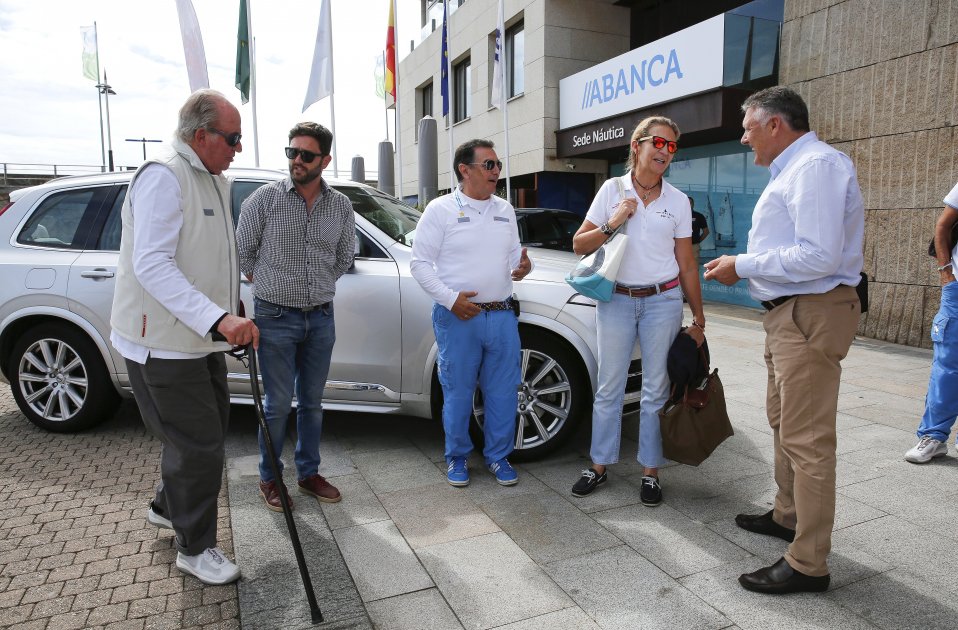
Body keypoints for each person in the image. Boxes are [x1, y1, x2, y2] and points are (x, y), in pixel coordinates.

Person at [704, 86, 864, 594]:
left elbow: (817, 256)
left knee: (808, 440)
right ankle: (788, 514)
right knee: (783, 421)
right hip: (788, 314)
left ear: (776, 124)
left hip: (810, 313)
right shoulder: (795, 168)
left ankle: (808, 562)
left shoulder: (814, 166)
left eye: (748, 126)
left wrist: (741, 265)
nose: (743, 135)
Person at [110, 89, 258, 585]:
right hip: (166, 344)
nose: (238, 148)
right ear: (202, 136)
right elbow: (152, 263)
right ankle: (194, 548)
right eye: (233, 138)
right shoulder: (164, 177)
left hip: (197, 338)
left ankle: (165, 505)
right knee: (199, 447)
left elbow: (206, 254)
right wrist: (216, 318)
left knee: (206, 432)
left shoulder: (213, 178)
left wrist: (227, 306)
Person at [569, 116, 706, 507]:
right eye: (658, 143)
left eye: (671, 147)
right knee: (610, 385)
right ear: (637, 146)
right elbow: (580, 244)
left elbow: (687, 263)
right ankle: (598, 465)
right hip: (616, 299)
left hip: (663, 300)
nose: (664, 151)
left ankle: (650, 471)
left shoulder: (678, 201)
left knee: (655, 389)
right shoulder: (612, 190)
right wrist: (614, 221)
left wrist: (698, 316)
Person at [236, 122, 355, 511]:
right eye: (292, 152)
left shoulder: (340, 205)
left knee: (312, 403)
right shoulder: (263, 201)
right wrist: (270, 285)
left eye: (306, 155)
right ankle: (269, 479)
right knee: (276, 403)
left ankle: (308, 474)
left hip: (321, 317)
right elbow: (243, 253)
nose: (297, 161)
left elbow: (343, 257)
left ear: (325, 160)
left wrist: (317, 284)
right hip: (274, 317)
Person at [410, 139, 532, 487]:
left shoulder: (504, 209)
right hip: (458, 317)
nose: (496, 171)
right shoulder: (440, 209)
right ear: (465, 170)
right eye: (488, 165)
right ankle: (457, 458)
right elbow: (419, 265)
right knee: (459, 393)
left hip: (502, 316)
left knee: (504, 392)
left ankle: (498, 457)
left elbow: (514, 262)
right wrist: (451, 300)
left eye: (498, 165)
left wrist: (523, 267)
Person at [903, 186, 958, 463]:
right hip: (957, 289)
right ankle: (934, 437)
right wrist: (945, 273)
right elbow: (943, 225)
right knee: (948, 366)